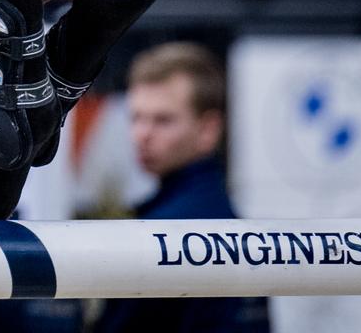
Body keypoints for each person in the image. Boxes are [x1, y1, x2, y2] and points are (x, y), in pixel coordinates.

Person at [94, 42, 270, 333]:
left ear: (208, 129)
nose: (142, 134)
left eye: (163, 120)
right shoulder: (222, 216)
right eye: (136, 117)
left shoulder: (161, 232)